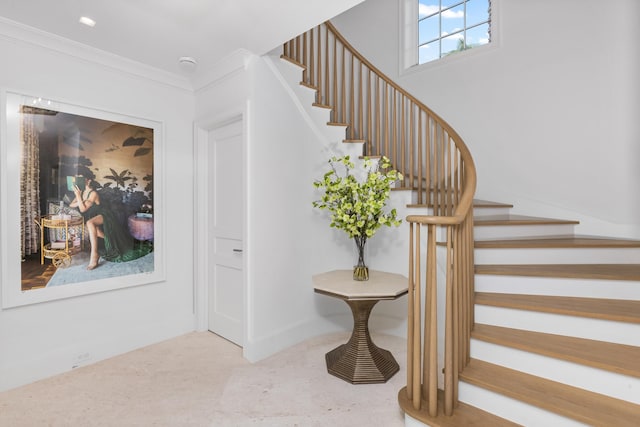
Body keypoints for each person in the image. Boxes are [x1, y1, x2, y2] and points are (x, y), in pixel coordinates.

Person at [69, 173, 148, 270]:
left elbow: (82, 209)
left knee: (89, 223)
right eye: (78, 179)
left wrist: (79, 198)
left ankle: (94, 255)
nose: (79, 181)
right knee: (94, 230)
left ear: (88, 180)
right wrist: (80, 197)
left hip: (104, 215)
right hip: (93, 216)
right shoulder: (81, 192)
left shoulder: (93, 193)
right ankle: (116, 242)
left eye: (81, 178)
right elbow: (71, 205)